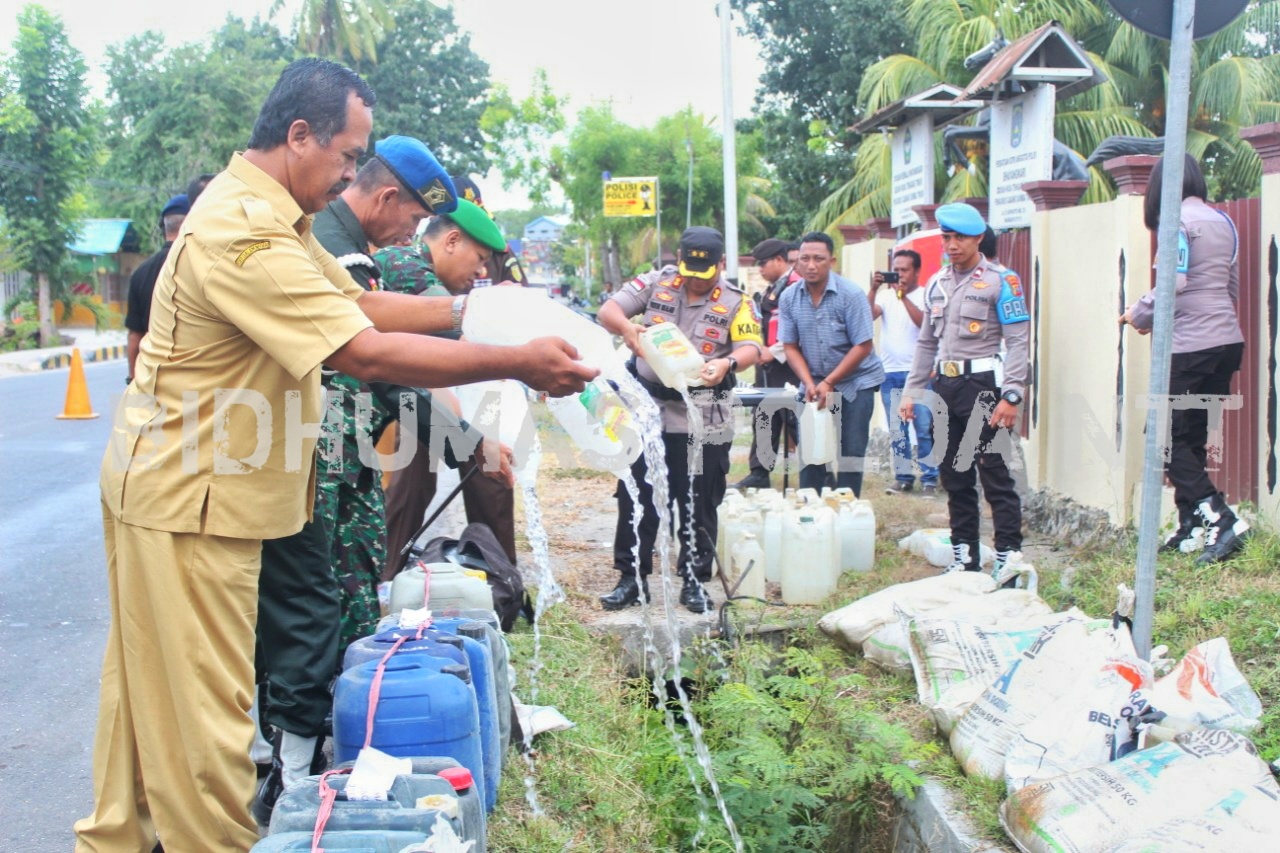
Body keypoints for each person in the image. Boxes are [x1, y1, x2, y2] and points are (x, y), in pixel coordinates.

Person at [79, 57, 593, 853]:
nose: (353, 176)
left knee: (146, 707)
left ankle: (116, 840)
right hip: (189, 497)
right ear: (298, 136)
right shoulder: (243, 231)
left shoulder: (267, 211)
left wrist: (475, 307)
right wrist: (517, 360)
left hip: (186, 486)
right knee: (203, 724)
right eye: (349, 157)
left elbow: (356, 303)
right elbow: (362, 350)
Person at [252, 135, 496, 823]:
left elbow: (387, 362)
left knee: (347, 596)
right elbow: (376, 353)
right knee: (309, 605)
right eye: (417, 220)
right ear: (391, 200)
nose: (410, 235)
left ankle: (320, 740)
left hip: (343, 456)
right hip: (306, 453)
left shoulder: (349, 250)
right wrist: (491, 350)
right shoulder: (334, 245)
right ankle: (291, 769)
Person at [597, 226, 763, 613]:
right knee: (637, 496)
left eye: (705, 275)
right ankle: (632, 579)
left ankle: (694, 580)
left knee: (699, 502)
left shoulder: (738, 301)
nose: (694, 281)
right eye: (689, 271)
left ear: (721, 264)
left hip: (703, 418)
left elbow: (753, 346)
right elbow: (610, 309)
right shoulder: (656, 282)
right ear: (679, 259)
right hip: (646, 413)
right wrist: (628, 329)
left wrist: (726, 362)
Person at [378, 200, 520, 576]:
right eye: (478, 258)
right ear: (452, 241)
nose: (481, 270)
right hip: (397, 400)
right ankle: (384, 580)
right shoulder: (404, 264)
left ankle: (501, 583)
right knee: (410, 493)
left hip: (421, 395)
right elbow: (459, 331)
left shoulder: (429, 274)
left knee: (489, 474)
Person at [1121, 154, 1250, 564]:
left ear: (1159, 188)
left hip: (1191, 347)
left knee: (1163, 437)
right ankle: (1191, 526)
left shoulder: (1176, 222)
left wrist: (1139, 314)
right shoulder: (1223, 222)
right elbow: (1229, 287)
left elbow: (1172, 283)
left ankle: (1220, 518)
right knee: (1189, 434)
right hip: (1225, 341)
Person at [899, 203, 1028, 579]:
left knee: (995, 475)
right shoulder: (937, 284)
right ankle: (965, 557)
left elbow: (1018, 343)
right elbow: (926, 344)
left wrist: (1012, 395)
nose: (952, 245)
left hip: (983, 388)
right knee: (954, 476)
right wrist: (912, 391)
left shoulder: (1002, 281)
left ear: (977, 239)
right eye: (947, 237)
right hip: (945, 386)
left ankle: (1008, 557)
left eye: (961, 238)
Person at [778, 231, 885, 496]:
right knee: (812, 452)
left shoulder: (851, 294)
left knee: (850, 451)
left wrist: (829, 382)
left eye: (819, 259)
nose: (811, 265)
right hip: (813, 381)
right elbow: (790, 346)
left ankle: (847, 514)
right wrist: (809, 383)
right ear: (797, 262)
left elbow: (863, 346)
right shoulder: (789, 297)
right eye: (805, 259)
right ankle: (811, 515)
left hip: (856, 381)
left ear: (832, 261)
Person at [124, 176, 216, 382]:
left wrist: (132, 380)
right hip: (198, 380)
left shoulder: (141, 273)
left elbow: (134, 336)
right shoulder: (201, 264)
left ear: (163, 226)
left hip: (153, 379)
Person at [735, 237, 801, 489]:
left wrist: (774, 352)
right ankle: (759, 473)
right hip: (767, 367)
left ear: (779, 260)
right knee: (765, 417)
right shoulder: (773, 289)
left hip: (791, 366)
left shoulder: (797, 286)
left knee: (795, 420)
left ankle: (820, 475)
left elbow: (802, 328)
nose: (760, 268)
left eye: (764, 263)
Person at [872, 249, 938, 496]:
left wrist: (903, 297)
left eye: (904, 270)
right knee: (897, 430)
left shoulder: (924, 296)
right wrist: (873, 289)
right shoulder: (886, 298)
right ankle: (903, 477)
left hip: (917, 375)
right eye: (895, 269)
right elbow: (867, 316)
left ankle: (930, 479)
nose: (899, 274)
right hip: (890, 374)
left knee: (922, 429)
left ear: (917, 271)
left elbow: (924, 325)